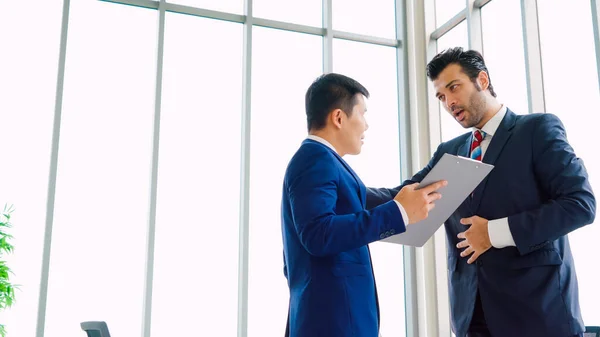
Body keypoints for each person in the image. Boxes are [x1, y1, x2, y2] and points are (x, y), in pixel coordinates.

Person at [367, 47, 596, 337]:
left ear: (482, 80)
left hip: (536, 312)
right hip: (471, 316)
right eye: (441, 96)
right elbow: (405, 195)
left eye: (454, 87)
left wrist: (494, 233)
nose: (449, 102)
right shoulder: (450, 151)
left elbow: (580, 205)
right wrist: (341, 186)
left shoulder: (537, 130)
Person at [281, 73, 446, 337]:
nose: (366, 125)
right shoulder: (315, 160)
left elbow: (388, 196)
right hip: (332, 324)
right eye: (362, 114)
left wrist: (439, 167)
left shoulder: (327, 163)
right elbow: (318, 234)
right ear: (338, 117)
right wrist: (400, 212)